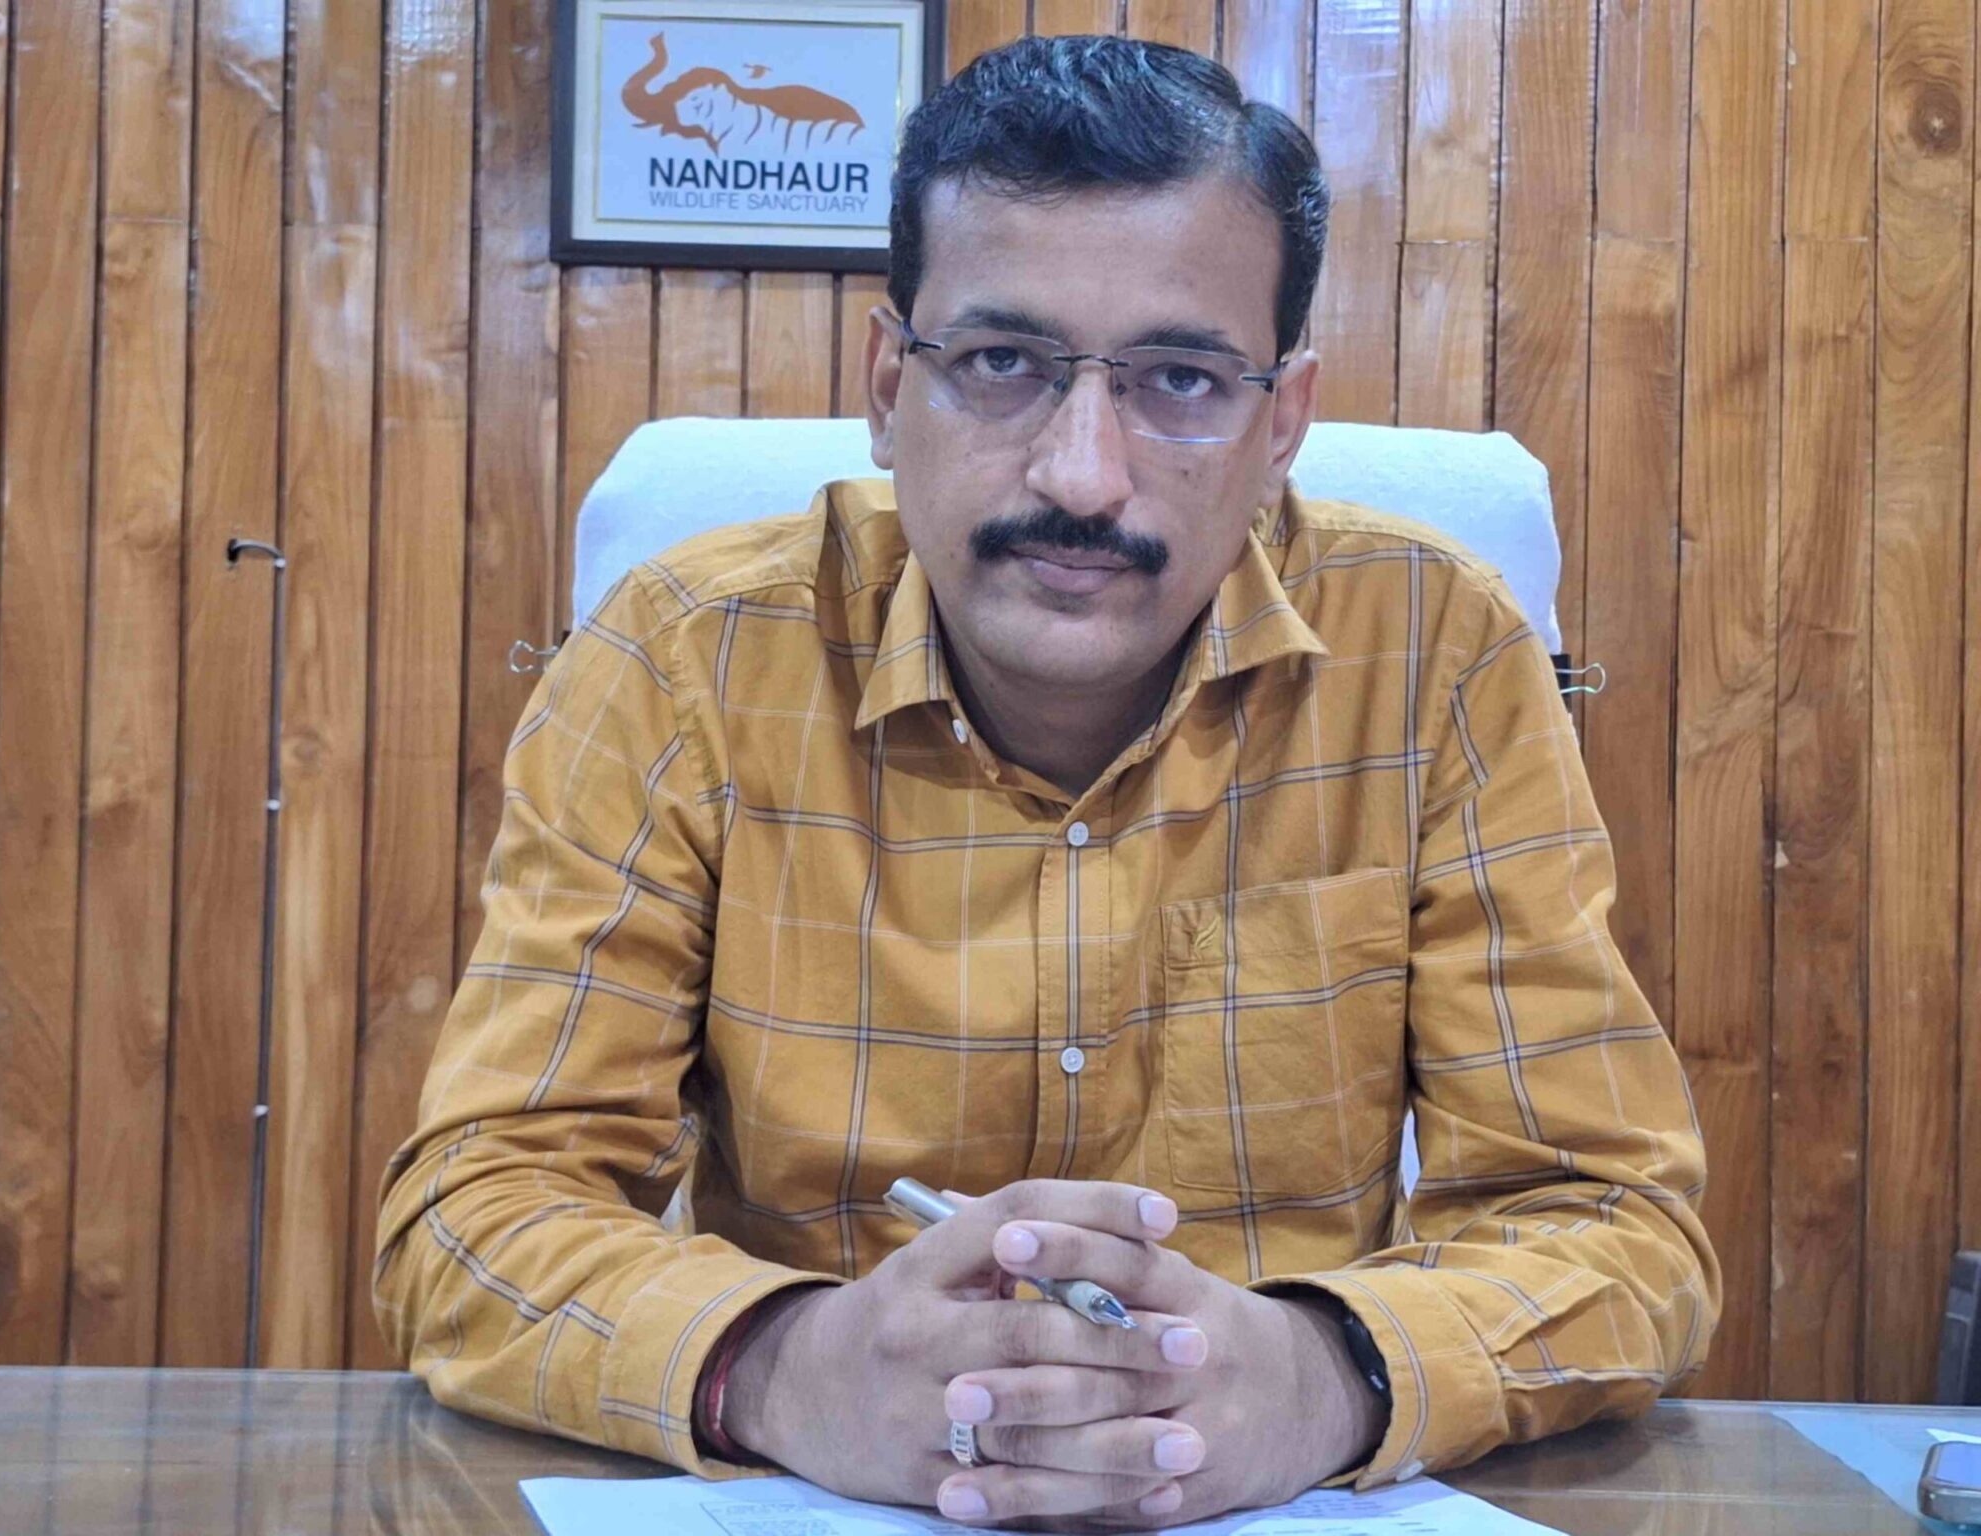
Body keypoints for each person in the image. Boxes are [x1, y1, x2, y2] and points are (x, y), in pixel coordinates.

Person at [375, 34, 1719, 1532]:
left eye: (1180, 380)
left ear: (1280, 425)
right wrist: (780, 1368)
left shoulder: (1438, 651)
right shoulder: (681, 657)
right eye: (1003, 364)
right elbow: (476, 1213)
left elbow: (1616, 1225)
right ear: (890, 387)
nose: (1082, 475)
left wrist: (1326, 1376)